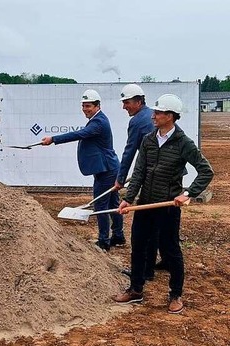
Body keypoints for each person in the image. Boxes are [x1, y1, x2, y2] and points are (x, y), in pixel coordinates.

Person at [112, 94, 213, 314]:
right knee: (138, 246)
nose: (153, 116)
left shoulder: (184, 143)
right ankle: (136, 290)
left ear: (170, 116)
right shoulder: (148, 139)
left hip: (167, 206)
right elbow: (139, 172)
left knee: (171, 250)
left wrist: (188, 193)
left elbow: (206, 171)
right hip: (145, 203)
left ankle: (175, 295)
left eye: (157, 113)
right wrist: (129, 198)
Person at [41, 89, 124, 251]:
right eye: (83, 106)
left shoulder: (98, 122)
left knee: (102, 205)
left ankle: (104, 241)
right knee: (113, 204)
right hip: (109, 168)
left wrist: (53, 139)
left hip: (106, 170)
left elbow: (79, 134)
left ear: (97, 106)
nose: (85, 109)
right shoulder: (97, 119)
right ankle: (118, 236)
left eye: (89, 106)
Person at [117, 84, 158, 281]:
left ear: (138, 102)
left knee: (144, 225)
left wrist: (120, 179)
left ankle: (145, 271)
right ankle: (164, 259)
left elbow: (129, 151)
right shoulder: (151, 115)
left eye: (127, 102)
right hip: (168, 175)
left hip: (154, 178)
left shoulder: (138, 121)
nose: (124, 106)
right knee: (163, 221)